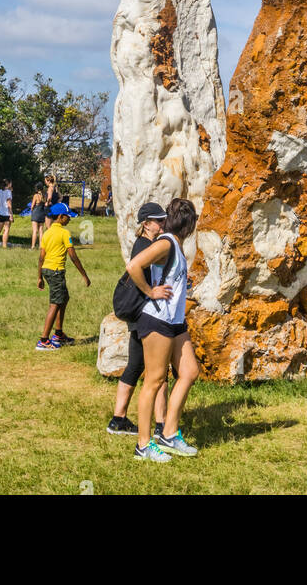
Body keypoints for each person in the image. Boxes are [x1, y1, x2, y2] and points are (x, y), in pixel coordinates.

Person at [126, 196, 200, 463]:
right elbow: (134, 265)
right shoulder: (167, 242)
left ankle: (169, 433)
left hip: (175, 321)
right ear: (189, 225)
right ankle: (143, 445)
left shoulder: (175, 246)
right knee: (154, 381)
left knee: (190, 371)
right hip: (157, 320)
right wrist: (150, 291)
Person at [107, 202, 170, 438]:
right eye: (159, 220)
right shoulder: (145, 246)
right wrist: (151, 292)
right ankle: (161, 424)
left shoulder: (145, 243)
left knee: (136, 365)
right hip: (143, 311)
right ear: (146, 224)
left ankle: (118, 419)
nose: (163, 223)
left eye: (164, 219)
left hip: (136, 310)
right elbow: (134, 268)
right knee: (159, 368)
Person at [36, 203, 90, 349]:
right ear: (60, 217)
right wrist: (84, 275)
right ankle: (43, 340)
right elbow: (73, 256)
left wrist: (40, 277)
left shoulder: (47, 233)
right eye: (68, 217)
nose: (69, 220)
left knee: (64, 298)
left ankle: (58, 334)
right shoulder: (64, 233)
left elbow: (41, 257)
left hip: (47, 270)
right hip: (56, 272)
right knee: (55, 304)